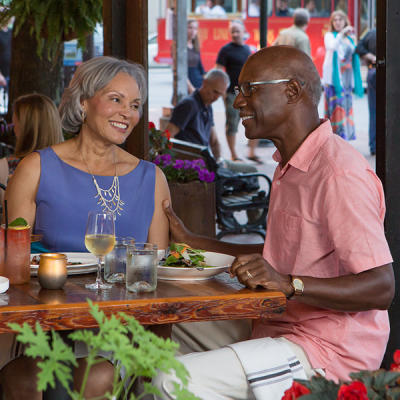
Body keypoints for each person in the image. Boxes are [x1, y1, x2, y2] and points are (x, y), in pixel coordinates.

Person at [154, 45, 394, 400]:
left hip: (324, 352)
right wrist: (194, 241)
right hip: (276, 325)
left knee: (171, 380)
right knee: (155, 337)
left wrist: (290, 284)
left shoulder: (338, 172)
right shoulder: (290, 164)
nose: (237, 102)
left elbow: (380, 287)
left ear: (292, 91)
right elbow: (279, 255)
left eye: (249, 89)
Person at [0, 56, 171, 399]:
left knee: (97, 375)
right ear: (82, 102)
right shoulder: (35, 168)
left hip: (118, 327)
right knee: (29, 380)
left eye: (135, 104)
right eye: (115, 99)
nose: (128, 112)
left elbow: (157, 271)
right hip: (45, 323)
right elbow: (13, 263)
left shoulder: (151, 178)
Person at [216, 20, 261, 163]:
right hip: (232, 93)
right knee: (232, 123)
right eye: (232, 31)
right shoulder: (225, 50)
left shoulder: (247, 49)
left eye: (237, 31)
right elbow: (218, 71)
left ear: (244, 32)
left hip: (248, 93)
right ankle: (233, 154)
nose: (235, 34)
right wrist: (222, 92)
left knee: (256, 120)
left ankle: (252, 152)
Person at [166, 68, 229, 160]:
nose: (216, 97)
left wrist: (219, 161)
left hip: (204, 160)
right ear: (205, 83)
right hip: (191, 163)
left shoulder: (208, 105)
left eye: (220, 94)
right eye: (215, 92)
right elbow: (167, 136)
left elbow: (214, 142)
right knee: (249, 169)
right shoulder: (189, 105)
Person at [322, 10, 363, 141]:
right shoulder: (330, 36)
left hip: (346, 80)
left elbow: (353, 54)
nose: (338, 22)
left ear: (345, 21)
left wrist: (352, 39)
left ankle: (344, 140)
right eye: (335, 20)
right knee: (336, 111)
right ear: (332, 23)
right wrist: (341, 34)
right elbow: (332, 47)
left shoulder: (349, 38)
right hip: (334, 81)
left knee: (345, 108)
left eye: (340, 19)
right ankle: (335, 140)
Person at [356, 28, 376, 156]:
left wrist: (370, 56)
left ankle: (374, 145)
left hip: (373, 71)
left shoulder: (371, 33)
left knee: (374, 111)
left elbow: (359, 48)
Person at [187, 19, 205, 94]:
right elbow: (179, 72)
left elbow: (200, 68)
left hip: (199, 83)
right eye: (190, 28)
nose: (193, 31)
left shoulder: (195, 46)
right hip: (186, 86)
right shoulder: (179, 47)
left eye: (195, 28)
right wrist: (190, 87)